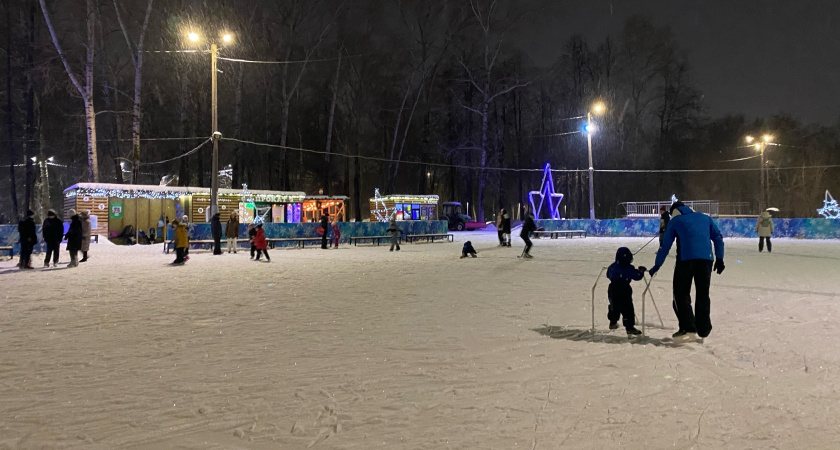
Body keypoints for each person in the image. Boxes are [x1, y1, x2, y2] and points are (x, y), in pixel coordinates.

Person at [649, 201, 725, 340]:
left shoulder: (676, 221)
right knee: (703, 294)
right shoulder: (705, 217)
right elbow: (718, 238)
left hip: (686, 260)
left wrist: (657, 266)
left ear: (674, 212)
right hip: (706, 260)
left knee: (680, 294)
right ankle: (703, 329)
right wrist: (719, 258)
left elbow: (665, 246)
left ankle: (688, 327)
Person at [606, 247, 646, 336]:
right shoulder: (629, 268)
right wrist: (641, 271)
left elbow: (608, 274)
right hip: (624, 289)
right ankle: (629, 327)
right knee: (627, 308)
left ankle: (613, 321)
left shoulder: (612, 266)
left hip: (612, 288)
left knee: (614, 305)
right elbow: (637, 276)